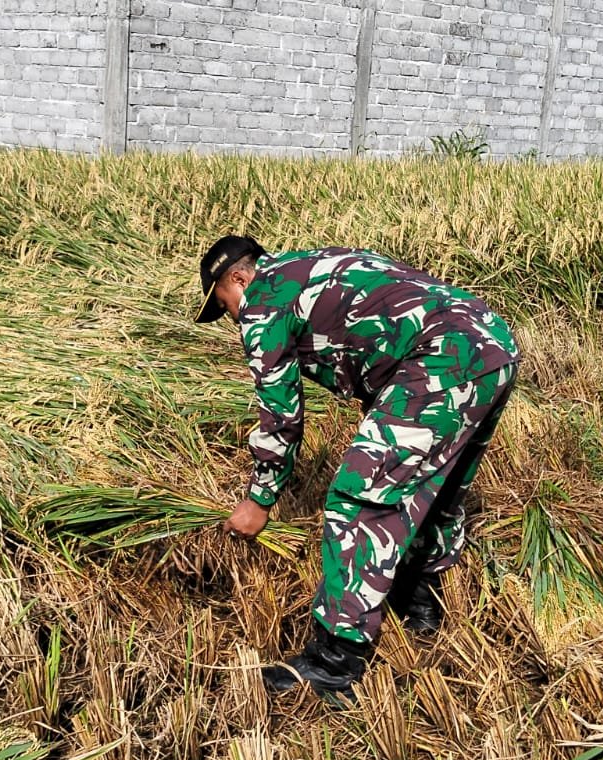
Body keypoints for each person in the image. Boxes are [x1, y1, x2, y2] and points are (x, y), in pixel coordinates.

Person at [195, 235, 519, 697]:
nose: (230, 316)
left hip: (442, 357)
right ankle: (420, 606)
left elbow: (281, 417)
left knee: (359, 500)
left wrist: (259, 499)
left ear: (239, 278)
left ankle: (334, 661)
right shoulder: (315, 262)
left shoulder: (263, 301)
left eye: (223, 303)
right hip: (492, 342)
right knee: (436, 488)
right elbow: (378, 328)